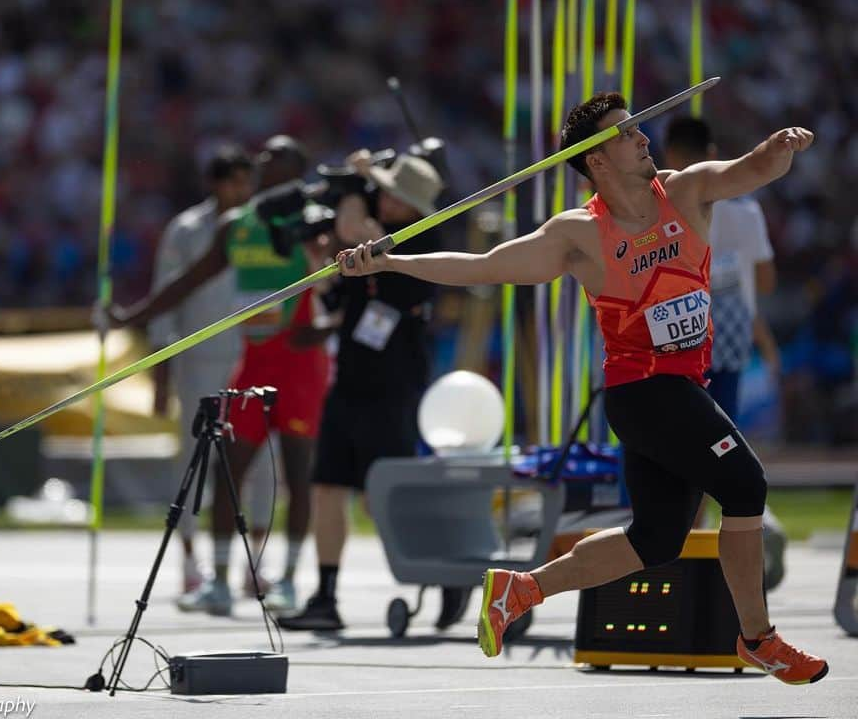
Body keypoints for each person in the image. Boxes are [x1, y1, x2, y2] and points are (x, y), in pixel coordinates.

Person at [337, 92, 827, 685]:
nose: (644, 138)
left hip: (678, 386)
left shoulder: (687, 191)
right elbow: (482, 266)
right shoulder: (578, 234)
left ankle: (520, 589)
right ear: (597, 159)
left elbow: (751, 169)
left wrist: (780, 149)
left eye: (640, 129)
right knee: (745, 483)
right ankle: (758, 638)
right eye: (627, 133)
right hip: (644, 392)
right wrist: (391, 263)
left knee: (657, 538)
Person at [106, 135, 330, 616]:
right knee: (227, 470)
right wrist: (135, 316)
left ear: (296, 169)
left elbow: (346, 280)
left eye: (278, 159)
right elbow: (187, 282)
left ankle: (288, 580)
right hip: (251, 361)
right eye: (264, 157)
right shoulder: (236, 225)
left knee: (294, 474)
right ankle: (221, 581)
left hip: (300, 361)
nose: (264, 164)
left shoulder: (314, 219)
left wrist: (327, 326)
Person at [277, 151, 444, 631]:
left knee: (383, 497)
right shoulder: (369, 234)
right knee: (328, 486)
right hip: (349, 378)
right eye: (384, 190)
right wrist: (317, 258)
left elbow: (358, 232)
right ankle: (326, 595)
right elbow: (339, 297)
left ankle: (446, 577)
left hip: (393, 387)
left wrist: (354, 185)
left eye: (396, 194)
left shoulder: (423, 241)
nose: (385, 199)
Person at [144, 144, 276, 596]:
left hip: (253, 358)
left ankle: (253, 565)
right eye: (232, 180)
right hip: (199, 359)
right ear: (214, 183)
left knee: (257, 461)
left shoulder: (262, 226)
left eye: (247, 181)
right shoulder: (185, 230)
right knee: (196, 459)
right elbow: (166, 297)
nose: (241, 190)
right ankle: (189, 561)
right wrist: (161, 370)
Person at [664, 116, 780, 418]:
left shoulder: (657, 207)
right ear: (712, 153)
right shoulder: (746, 210)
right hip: (729, 334)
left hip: (673, 331)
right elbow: (766, 282)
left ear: (670, 155)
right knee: (722, 434)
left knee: (671, 431)